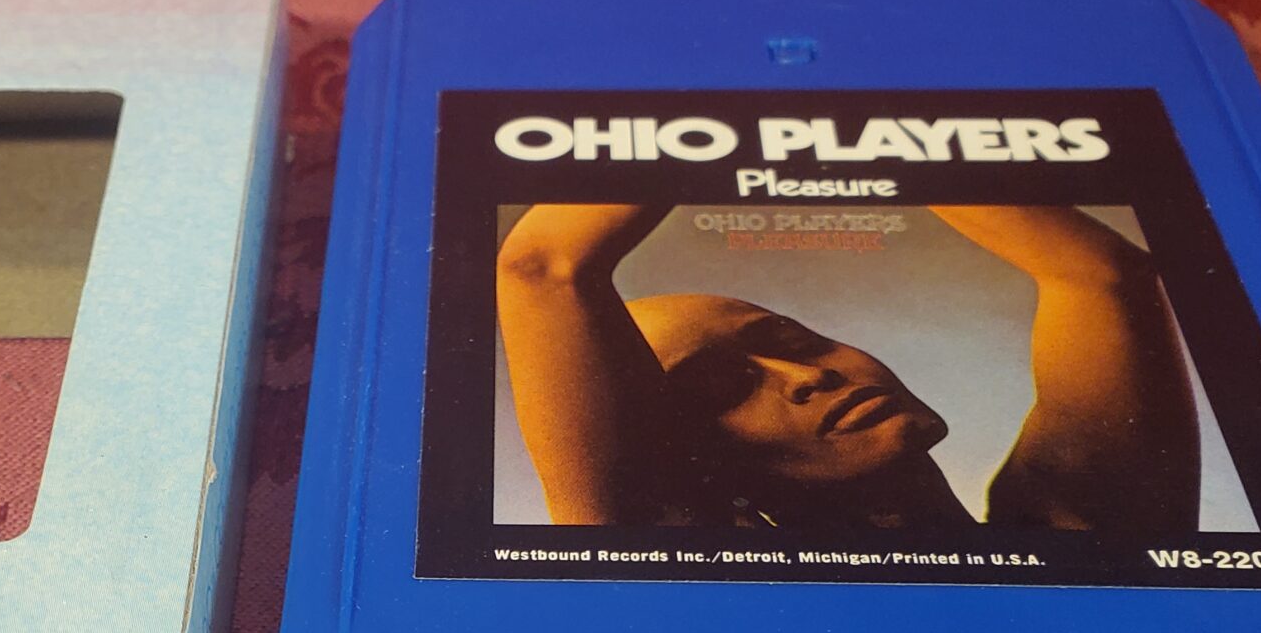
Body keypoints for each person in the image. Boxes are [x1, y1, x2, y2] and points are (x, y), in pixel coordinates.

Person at [494, 202, 1201, 536]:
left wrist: (863, 112)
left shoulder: (1072, 524)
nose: (806, 376)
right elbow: (545, 268)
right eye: (723, 389)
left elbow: (1103, 277)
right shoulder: (682, 570)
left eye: (793, 341)